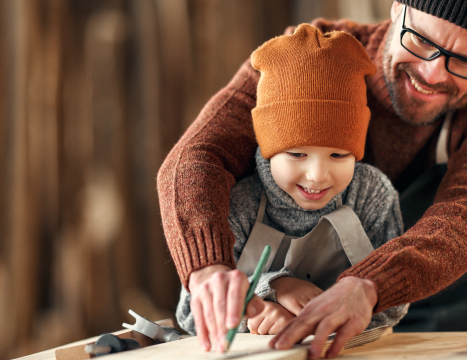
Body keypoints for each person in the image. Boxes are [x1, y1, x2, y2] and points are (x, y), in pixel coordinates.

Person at [159, 0, 467, 358]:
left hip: (448, 304)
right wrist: (208, 266)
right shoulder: (309, 58)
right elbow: (197, 156)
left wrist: (370, 284)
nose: (432, 73)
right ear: (397, 8)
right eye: (422, 40)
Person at [174, 23, 408, 341]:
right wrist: (268, 296)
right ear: (269, 149)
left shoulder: (373, 196)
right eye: (297, 154)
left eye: (339, 155)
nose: (318, 175)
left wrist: (344, 310)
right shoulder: (239, 203)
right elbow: (191, 314)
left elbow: (396, 304)